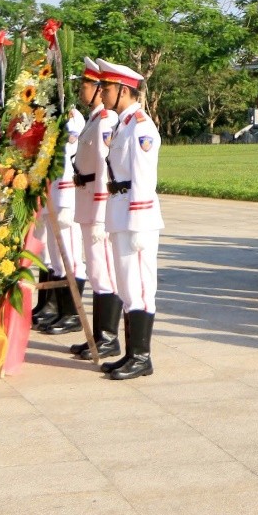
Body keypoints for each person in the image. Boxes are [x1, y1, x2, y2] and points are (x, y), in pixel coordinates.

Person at [96, 59, 162, 380]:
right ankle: (131, 353)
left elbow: (144, 179)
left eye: (106, 88)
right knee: (125, 285)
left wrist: (138, 224)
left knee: (139, 286)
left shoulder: (141, 127)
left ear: (124, 90)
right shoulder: (123, 125)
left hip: (137, 219)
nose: (102, 93)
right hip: (119, 213)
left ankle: (142, 357)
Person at [70, 57, 120, 360]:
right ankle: (100, 336)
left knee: (103, 271)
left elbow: (104, 169)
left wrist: (101, 213)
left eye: (87, 86)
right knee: (96, 269)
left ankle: (108, 338)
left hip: (96, 203)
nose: (84, 91)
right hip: (86, 200)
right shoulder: (93, 119)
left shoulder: (105, 122)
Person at [34, 77, 87, 335]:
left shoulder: (72, 119)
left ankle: (71, 314)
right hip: (51, 195)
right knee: (54, 257)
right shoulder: (52, 118)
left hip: (66, 199)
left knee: (70, 257)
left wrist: (65, 202)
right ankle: (52, 307)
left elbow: (68, 162)